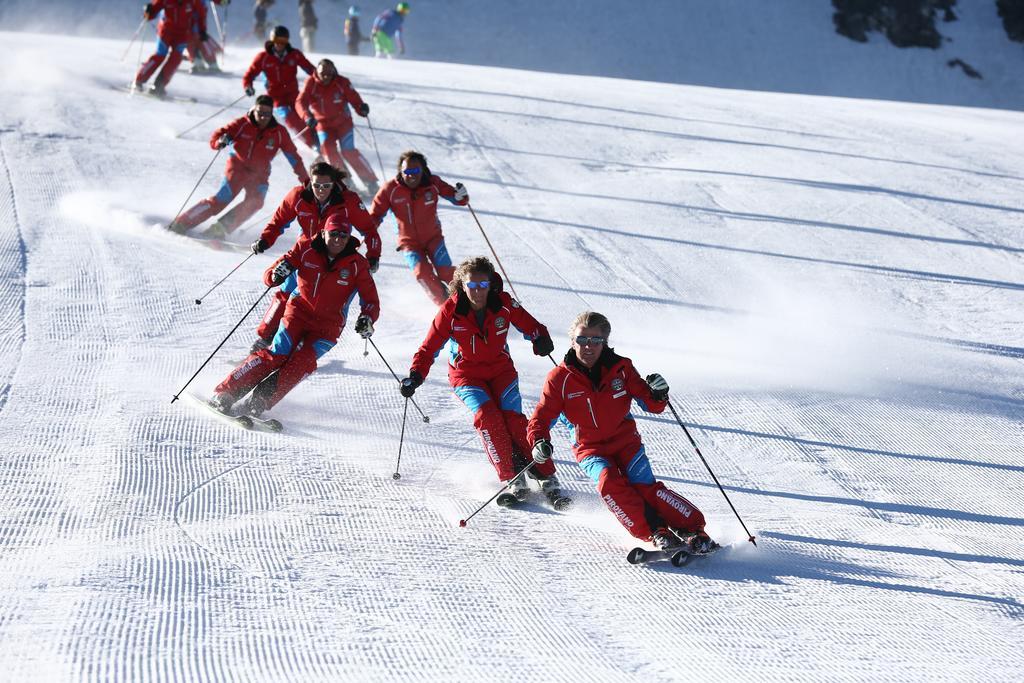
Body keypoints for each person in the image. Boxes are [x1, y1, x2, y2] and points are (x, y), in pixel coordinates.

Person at [527, 311, 717, 553]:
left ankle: (693, 529)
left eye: (596, 341)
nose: (588, 347)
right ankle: (656, 531)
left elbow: (651, 404)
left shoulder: (621, 368)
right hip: (590, 448)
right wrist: (538, 441)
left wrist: (659, 393)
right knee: (609, 482)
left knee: (644, 486)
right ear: (572, 341)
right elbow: (542, 416)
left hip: (626, 442)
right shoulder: (559, 378)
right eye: (582, 340)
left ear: (604, 342)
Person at [399, 257, 567, 507]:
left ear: (490, 285)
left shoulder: (504, 303)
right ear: (462, 286)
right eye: (472, 285)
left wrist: (539, 338)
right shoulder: (451, 311)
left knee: (514, 419)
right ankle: (512, 476)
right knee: (488, 417)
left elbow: (531, 325)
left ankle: (545, 473)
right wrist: (415, 375)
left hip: (501, 372)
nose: (478, 291)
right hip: (466, 376)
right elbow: (428, 347)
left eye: (483, 285)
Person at [211, 214, 380, 418]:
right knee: (277, 353)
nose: (338, 239)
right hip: (298, 313)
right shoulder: (306, 247)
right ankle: (227, 393)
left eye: (343, 235)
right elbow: (272, 273)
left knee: (301, 364)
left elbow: (371, 300)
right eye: (334, 233)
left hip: (327, 328)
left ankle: (259, 401)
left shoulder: (357, 264)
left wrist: (367, 318)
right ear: (324, 233)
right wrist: (276, 274)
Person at [249, 161, 381, 353]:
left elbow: (369, 229)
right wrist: (265, 240)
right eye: (316, 185)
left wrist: (373, 255)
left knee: (327, 303)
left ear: (334, 184)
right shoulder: (299, 196)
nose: (321, 190)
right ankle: (264, 340)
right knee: (284, 293)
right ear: (310, 182)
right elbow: (279, 220)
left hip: (336, 258)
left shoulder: (348, 201)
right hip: (306, 253)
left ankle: (307, 346)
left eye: (326, 186)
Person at [169, 95, 309, 237]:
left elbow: (294, 157)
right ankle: (183, 222)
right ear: (254, 110)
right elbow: (217, 136)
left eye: (267, 114)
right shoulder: (243, 124)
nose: (263, 117)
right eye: (260, 112)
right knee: (222, 199)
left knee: (255, 202)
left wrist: (306, 180)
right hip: (238, 168)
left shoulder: (279, 132)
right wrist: (220, 141)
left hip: (260, 174)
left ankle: (219, 229)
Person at [369, 151, 468, 305]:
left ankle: (468, 297)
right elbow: (375, 214)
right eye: (407, 171)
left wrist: (461, 195)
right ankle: (445, 306)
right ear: (401, 172)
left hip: (433, 238)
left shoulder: (432, 183)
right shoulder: (391, 189)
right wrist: (369, 227)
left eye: (415, 171)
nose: (411, 175)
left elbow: (457, 198)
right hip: (409, 244)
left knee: (445, 272)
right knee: (422, 275)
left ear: (422, 170)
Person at [296, 59, 378, 198]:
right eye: (323, 73)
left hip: (343, 123)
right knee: (329, 151)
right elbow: (300, 102)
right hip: (323, 125)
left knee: (348, 151)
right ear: (317, 72)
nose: (326, 76)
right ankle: (346, 182)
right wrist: (307, 116)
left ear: (334, 71)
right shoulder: (311, 83)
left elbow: (354, 98)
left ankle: (370, 182)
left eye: (329, 73)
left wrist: (361, 108)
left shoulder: (342, 82)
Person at [242, 25, 317, 149]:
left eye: (283, 41)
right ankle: (311, 144)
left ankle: (318, 140)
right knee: (292, 121)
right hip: (277, 98)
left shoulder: (294, 54)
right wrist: (248, 86)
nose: (280, 45)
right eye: (277, 41)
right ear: (272, 40)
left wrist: (319, 78)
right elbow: (249, 75)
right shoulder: (263, 57)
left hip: (294, 95)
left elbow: (310, 69)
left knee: (305, 115)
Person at [133, 0, 208, 97]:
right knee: (160, 54)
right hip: (166, 32)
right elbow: (152, 12)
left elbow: (201, 15)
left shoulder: (193, 1)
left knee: (176, 58)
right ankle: (139, 80)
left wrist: (202, 30)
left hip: (182, 34)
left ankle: (159, 85)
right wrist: (148, 11)